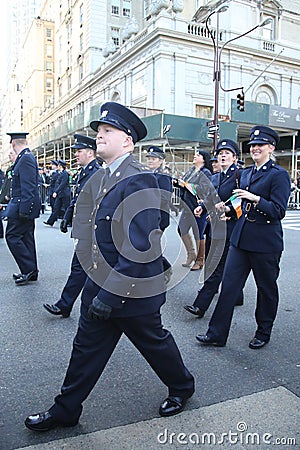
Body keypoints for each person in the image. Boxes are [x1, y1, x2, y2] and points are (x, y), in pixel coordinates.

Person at [25, 101, 194, 432]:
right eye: (98, 131)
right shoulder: (103, 177)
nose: (99, 136)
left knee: (154, 343)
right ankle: (66, 409)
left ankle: (183, 387)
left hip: (132, 290)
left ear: (128, 141)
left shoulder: (140, 180)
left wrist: (112, 295)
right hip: (98, 282)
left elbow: (140, 248)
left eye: (107, 131)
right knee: (85, 351)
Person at [196, 126, 291, 349]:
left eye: (260, 145)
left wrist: (255, 198)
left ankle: (263, 331)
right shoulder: (247, 173)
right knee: (229, 287)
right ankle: (216, 334)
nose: (255, 148)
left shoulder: (279, 175)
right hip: (240, 239)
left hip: (265, 242)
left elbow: (278, 211)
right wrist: (226, 209)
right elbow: (240, 206)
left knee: (266, 289)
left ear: (271, 148)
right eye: (252, 145)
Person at [43, 134, 102, 318]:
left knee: (82, 269)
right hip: (83, 229)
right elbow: (78, 199)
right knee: (82, 269)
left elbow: (96, 205)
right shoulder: (85, 172)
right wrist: (68, 217)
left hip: (90, 231)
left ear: (90, 153)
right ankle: (66, 305)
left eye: (79, 151)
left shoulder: (96, 173)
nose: (76, 154)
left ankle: (67, 305)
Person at [184, 139, 244, 319]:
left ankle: (200, 305)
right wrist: (202, 206)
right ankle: (238, 295)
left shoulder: (239, 176)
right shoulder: (216, 177)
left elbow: (241, 199)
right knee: (221, 264)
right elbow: (210, 197)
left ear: (234, 157)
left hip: (230, 227)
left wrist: (231, 212)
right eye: (220, 153)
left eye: (227, 153)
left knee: (215, 266)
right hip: (215, 227)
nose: (222, 156)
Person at [5, 132, 41, 285]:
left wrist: (24, 210)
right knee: (26, 238)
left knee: (12, 236)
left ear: (13, 144)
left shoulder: (25, 158)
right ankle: (30, 271)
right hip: (22, 205)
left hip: (21, 206)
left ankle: (28, 269)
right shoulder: (26, 157)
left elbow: (28, 188)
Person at [175, 150, 212, 270]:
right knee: (181, 229)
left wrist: (188, 185)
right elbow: (183, 183)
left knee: (199, 233)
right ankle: (191, 254)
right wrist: (177, 182)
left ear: (204, 159)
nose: (195, 156)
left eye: (198, 155)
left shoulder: (206, 172)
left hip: (198, 207)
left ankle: (200, 259)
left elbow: (204, 189)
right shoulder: (191, 170)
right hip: (187, 206)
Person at [145, 146, 173, 282]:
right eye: (149, 158)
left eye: (153, 158)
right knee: (151, 246)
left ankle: (163, 270)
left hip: (159, 218)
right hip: (149, 217)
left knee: (153, 246)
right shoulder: (148, 174)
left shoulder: (163, 176)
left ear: (161, 160)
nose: (150, 161)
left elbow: (164, 197)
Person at [43, 160, 71, 226]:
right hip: (60, 193)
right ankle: (50, 221)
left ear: (60, 166)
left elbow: (62, 184)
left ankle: (69, 222)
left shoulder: (65, 174)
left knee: (67, 208)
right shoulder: (61, 173)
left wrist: (56, 191)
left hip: (65, 193)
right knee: (56, 208)